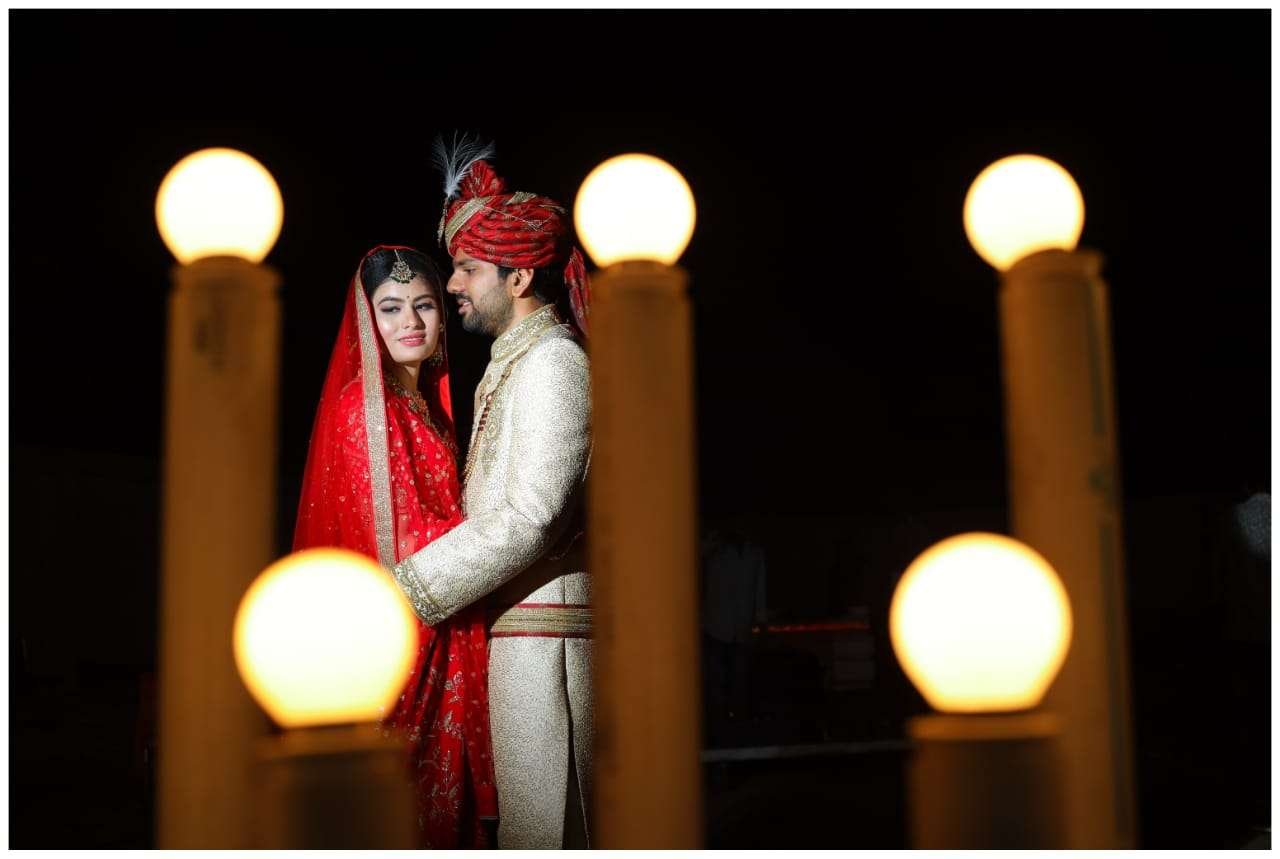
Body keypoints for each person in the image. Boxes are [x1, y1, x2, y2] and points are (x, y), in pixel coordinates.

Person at [390, 137, 593, 849]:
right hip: (513, 640)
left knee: (551, 834)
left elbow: (532, 516)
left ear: (520, 276)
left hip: (547, 649)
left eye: (468, 269)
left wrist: (407, 587)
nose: (452, 284)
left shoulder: (555, 362)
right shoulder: (518, 360)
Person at [292, 245, 497, 848]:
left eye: (424, 305)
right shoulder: (366, 408)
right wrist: (503, 527)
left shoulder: (417, 405)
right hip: (407, 630)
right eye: (390, 308)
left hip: (441, 609)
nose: (410, 321)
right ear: (367, 321)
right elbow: (403, 541)